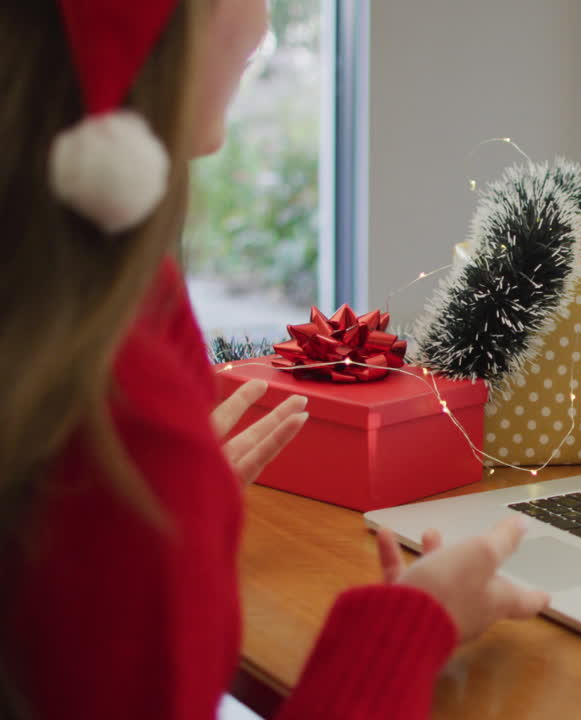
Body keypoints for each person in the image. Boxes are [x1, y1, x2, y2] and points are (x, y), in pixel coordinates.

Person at [0, 1, 547, 718]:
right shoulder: (120, 416)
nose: (264, 25)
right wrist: (414, 622)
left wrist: (182, 521)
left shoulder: (84, 329)